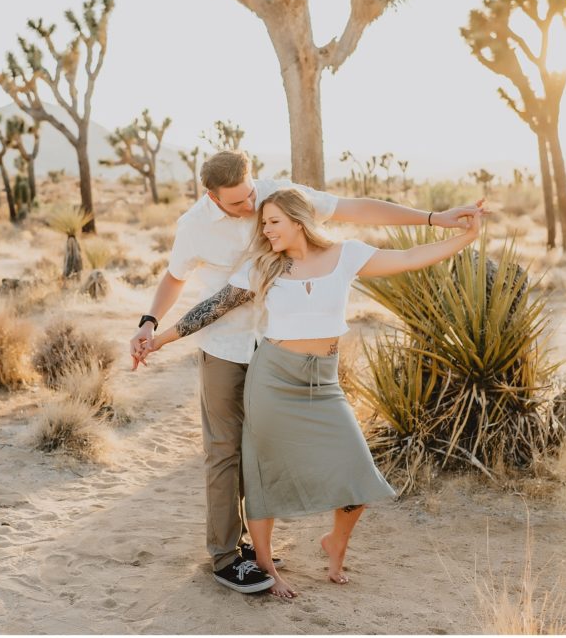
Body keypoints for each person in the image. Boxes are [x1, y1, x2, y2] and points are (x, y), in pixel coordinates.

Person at [129, 150, 484, 594]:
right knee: (232, 455)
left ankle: (312, 544)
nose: (254, 214)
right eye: (241, 207)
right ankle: (231, 558)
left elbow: (368, 218)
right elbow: (200, 296)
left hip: (299, 364)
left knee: (325, 465)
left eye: (260, 207)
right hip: (233, 350)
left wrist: (441, 222)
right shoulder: (220, 240)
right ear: (211, 197)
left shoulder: (290, 204)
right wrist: (152, 330)